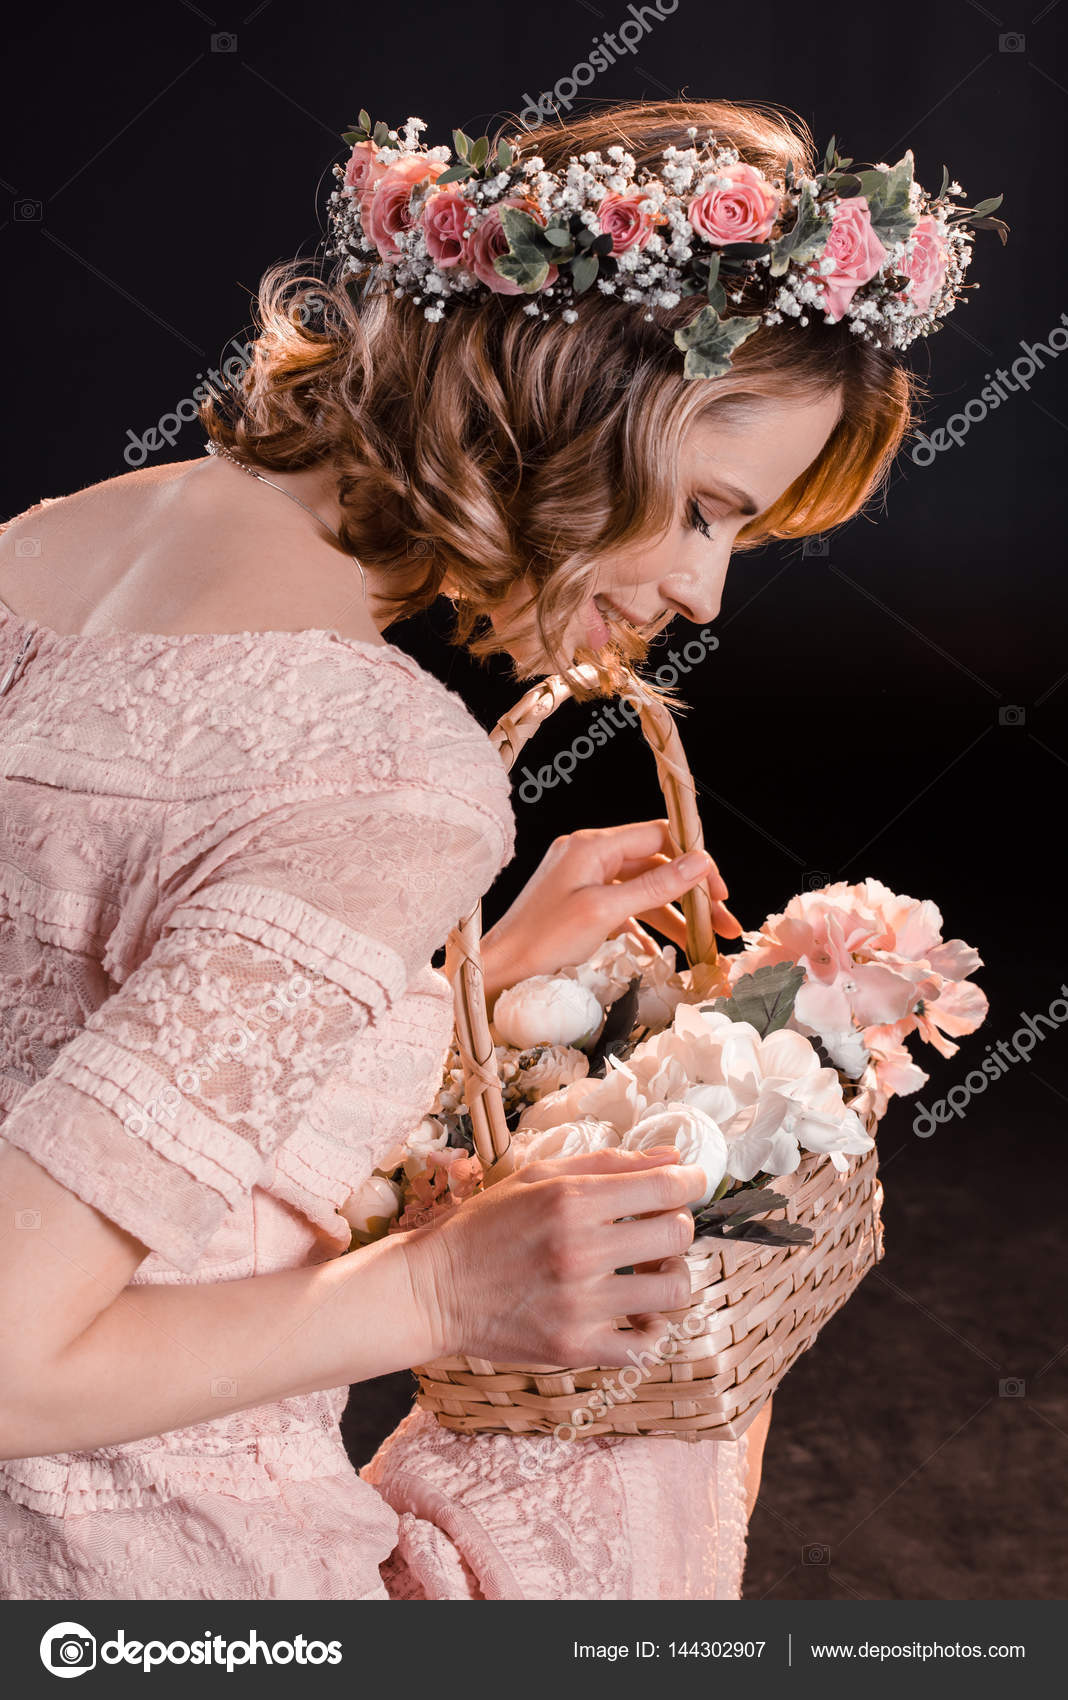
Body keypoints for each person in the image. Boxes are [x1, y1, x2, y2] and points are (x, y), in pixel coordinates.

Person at [0, 94, 987, 1600]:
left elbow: (84, 1029)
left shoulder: (48, 545)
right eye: (710, 510)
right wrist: (443, 1286)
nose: (706, 594)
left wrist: (496, 956)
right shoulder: (390, 770)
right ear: (569, 387)